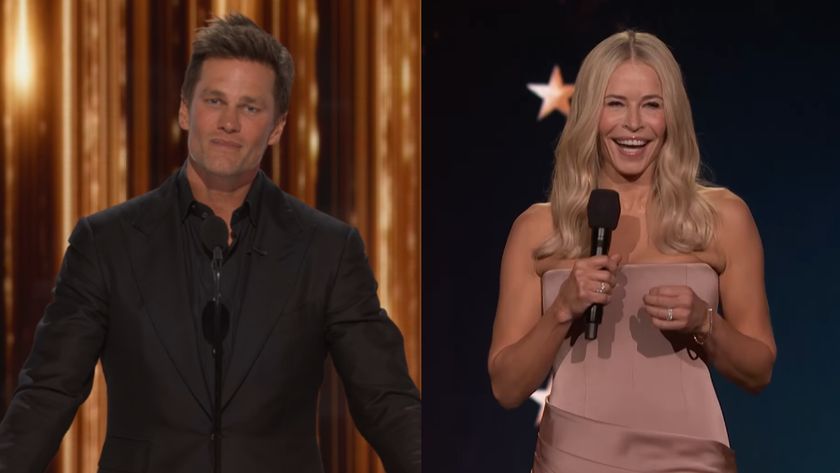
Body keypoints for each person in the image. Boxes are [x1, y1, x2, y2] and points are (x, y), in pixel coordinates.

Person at [0, 13, 420, 473]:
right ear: (185, 109)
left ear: (277, 128)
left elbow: (385, 401)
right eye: (215, 100)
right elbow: (47, 393)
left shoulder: (327, 250)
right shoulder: (106, 243)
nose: (229, 123)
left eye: (250, 107)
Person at [488, 31, 776, 472]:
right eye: (615, 103)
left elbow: (759, 369)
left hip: (688, 458)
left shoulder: (723, 218)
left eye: (652, 105)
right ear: (589, 114)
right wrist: (562, 309)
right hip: (575, 457)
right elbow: (507, 387)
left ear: (671, 116)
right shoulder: (539, 229)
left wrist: (705, 323)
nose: (634, 124)